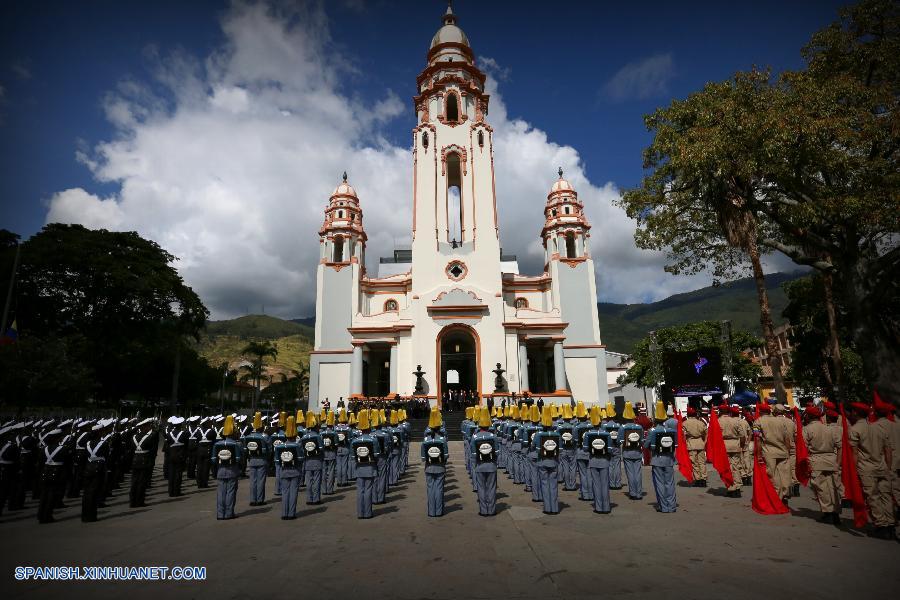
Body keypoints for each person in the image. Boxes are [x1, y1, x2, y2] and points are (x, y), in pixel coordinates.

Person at [849, 402, 895, 540]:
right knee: (886, 496)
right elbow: (888, 451)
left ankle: (881, 525)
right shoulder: (879, 428)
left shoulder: (855, 429)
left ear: (856, 413)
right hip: (882, 467)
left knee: (873, 497)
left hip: (866, 468)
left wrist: (854, 471)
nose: (850, 414)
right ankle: (890, 524)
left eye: (851, 411)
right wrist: (888, 467)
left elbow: (855, 453)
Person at [802, 405, 841, 526]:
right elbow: (839, 447)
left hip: (816, 460)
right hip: (832, 459)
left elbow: (803, 448)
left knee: (821, 488)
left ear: (808, 416)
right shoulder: (830, 429)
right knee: (834, 487)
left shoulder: (807, 429)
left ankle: (828, 513)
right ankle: (835, 512)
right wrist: (838, 463)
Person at [756, 402, 794, 505]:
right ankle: (785, 494)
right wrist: (787, 451)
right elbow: (787, 438)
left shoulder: (758, 422)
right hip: (783, 451)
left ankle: (776, 496)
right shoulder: (781, 421)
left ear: (760, 412)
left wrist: (759, 455)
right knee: (784, 474)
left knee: (772, 475)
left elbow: (758, 439)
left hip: (769, 452)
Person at [211, 415, 243, 520]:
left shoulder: (217, 444)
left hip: (221, 470)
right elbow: (238, 459)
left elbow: (213, 459)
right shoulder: (236, 444)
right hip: (232, 471)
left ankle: (220, 514)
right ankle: (229, 513)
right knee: (230, 492)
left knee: (220, 493)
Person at [645, 413, 678, 513]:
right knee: (670, 483)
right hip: (669, 459)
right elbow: (675, 445)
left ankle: (663, 506)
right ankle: (671, 506)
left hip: (657, 459)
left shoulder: (652, 431)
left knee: (659, 483)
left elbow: (646, 445)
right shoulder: (672, 431)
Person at [37, 428, 69, 524]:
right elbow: (67, 463)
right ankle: (47, 516)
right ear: (57, 438)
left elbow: (40, 463)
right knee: (51, 495)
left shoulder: (44, 449)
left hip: (45, 473)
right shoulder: (63, 449)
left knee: (44, 495)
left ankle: (41, 515)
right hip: (57, 474)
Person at [533, 405, 561, 515]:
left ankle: (547, 507)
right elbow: (560, 449)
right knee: (553, 485)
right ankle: (554, 508)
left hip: (542, 461)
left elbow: (534, 447)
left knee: (544, 484)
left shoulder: (539, 434)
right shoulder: (557, 434)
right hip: (553, 461)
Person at [583, 406, 611, 514]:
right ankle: (606, 507)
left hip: (593, 460)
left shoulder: (588, 434)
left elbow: (585, 448)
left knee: (596, 484)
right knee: (604, 484)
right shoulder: (606, 433)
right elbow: (609, 449)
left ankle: (599, 507)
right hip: (604, 461)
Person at [471, 407, 498, 516]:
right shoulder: (493, 436)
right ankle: (491, 510)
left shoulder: (475, 437)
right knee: (491, 488)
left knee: (481, 488)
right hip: (491, 465)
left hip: (480, 466)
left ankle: (483, 510)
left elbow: (473, 455)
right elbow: (496, 452)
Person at [421, 408, 449, 517]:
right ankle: (439, 511)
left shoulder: (425, 440)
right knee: (439, 488)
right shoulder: (442, 440)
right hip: (440, 467)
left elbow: (423, 457)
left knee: (430, 489)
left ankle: (431, 511)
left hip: (429, 467)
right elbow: (446, 456)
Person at [351, 410, 378, 519]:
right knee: (368, 490)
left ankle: (360, 513)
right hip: (370, 468)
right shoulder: (373, 439)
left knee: (360, 490)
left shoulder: (354, 441)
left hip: (359, 468)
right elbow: (376, 455)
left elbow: (353, 457)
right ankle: (367, 513)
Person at [718, 404, 745, 498]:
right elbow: (742, 435)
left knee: (727, 467)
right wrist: (741, 445)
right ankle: (737, 486)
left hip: (723, 445)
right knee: (736, 466)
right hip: (735, 444)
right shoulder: (735, 421)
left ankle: (731, 487)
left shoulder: (718, 421)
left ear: (720, 412)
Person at [277, 416, 302, 520]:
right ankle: (291, 513)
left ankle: (284, 513)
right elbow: (300, 459)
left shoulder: (280, 447)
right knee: (293, 492)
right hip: (295, 471)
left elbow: (277, 461)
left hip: (284, 471)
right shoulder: (297, 446)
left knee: (285, 492)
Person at [128, 418, 156, 508]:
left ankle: (132, 502)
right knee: (141, 483)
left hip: (135, 460)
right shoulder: (151, 436)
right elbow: (152, 451)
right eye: (148, 425)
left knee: (134, 482)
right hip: (145, 461)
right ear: (144, 427)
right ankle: (139, 501)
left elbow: (131, 450)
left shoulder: (134, 437)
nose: (149, 427)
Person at [244, 412, 270, 506]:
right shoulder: (264, 437)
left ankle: (252, 499)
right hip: (262, 460)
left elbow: (245, 449)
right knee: (260, 481)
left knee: (253, 481)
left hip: (252, 460)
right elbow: (269, 449)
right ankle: (260, 500)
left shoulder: (248, 437)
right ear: (261, 427)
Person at [620, 403, 644, 500]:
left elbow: (619, 441)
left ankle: (633, 493)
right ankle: (639, 492)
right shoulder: (639, 427)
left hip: (627, 452)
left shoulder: (622, 427)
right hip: (637, 452)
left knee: (630, 473)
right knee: (638, 473)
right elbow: (642, 440)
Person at [300, 412, 324, 505]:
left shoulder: (304, 437)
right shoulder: (317, 436)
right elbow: (321, 449)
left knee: (309, 481)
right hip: (317, 460)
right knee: (317, 480)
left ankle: (309, 499)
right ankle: (316, 499)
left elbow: (302, 449)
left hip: (307, 461)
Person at [573, 402, 593, 501]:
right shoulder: (591, 426)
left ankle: (585, 494)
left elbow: (575, 441)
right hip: (590, 452)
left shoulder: (576, 427)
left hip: (580, 451)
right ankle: (591, 493)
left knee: (583, 474)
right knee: (590, 474)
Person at [682, 407, 707, 487]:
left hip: (691, 443)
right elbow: (706, 433)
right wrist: (704, 442)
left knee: (694, 463)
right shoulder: (701, 423)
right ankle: (703, 479)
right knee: (702, 462)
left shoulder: (685, 423)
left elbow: (683, 436)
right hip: (700, 442)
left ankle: (698, 479)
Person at [557, 404, 578, 491]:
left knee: (565, 467)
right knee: (573, 467)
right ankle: (572, 485)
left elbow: (558, 439)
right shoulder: (574, 427)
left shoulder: (559, 428)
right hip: (572, 449)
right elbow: (576, 439)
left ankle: (567, 485)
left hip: (563, 449)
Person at [165, 417, 188, 497]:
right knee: (178, 474)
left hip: (171, 455)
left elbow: (167, 445)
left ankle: (170, 491)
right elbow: (186, 445)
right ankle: (176, 491)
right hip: (180, 455)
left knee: (171, 474)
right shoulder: (184, 433)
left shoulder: (169, 434)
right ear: (180, 425)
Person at [603, 404, 623, 490]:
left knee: (610, 465)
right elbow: (620, 438)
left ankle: (611, 483)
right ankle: (618, 483)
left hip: (609, 447)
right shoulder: (619, 426)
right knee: (617, 465)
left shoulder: (604, 426)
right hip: (617, 447)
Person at [195, 417, 216, 489]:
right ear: (207, 423)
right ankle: (204, 483)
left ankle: (199, 483)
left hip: (200, 450)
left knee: (199, 467)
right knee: (206, 468)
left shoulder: (198, 431)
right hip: (208, 450)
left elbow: (197, 440)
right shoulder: (211, 431)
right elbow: (213, 440)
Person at [322, 411, 338, 495]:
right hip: (332, 453)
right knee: (331, 471)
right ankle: (330, 489)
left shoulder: (321, 433)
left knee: (324, 471)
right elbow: (336, 444)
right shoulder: (334, 433)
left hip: (324, 453)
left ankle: (324, 489)